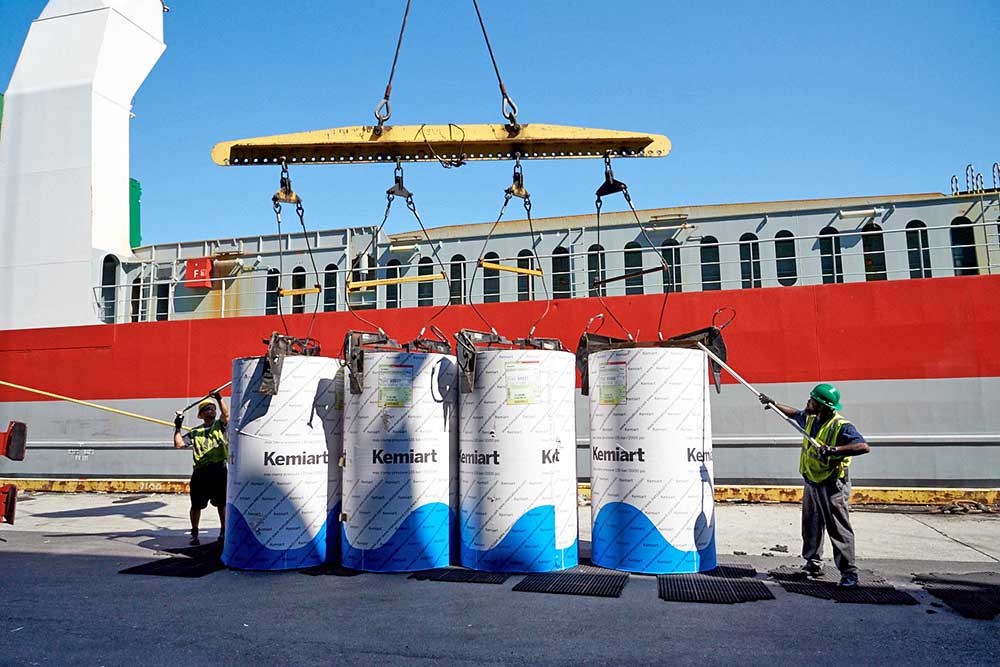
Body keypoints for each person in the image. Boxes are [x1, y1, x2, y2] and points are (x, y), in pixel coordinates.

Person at [758, 383, 870, 588]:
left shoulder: (841, 426)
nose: (807, 403)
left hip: (832, 484)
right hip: (812, 480)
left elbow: (862, 446)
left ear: (822, 405)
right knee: (811, 524)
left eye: (811, 400)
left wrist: (833, 450)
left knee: (838, 528)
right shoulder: (812, 418)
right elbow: (794, 414)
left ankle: (849, 573)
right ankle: (813, 563)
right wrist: (773, 403)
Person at [173, 391, 229, 545]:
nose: (212, 410)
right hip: (201, 472)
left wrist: (219, 398)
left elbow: (226, 415)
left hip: (218, 470)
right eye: (208, 409)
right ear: (202, 414)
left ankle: (224, 531)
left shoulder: (220, 426)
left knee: (222, 503)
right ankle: (194, 533)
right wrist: (177, 427)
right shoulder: (194, 432)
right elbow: (179, 444)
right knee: (196, 504)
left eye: (213, 408)